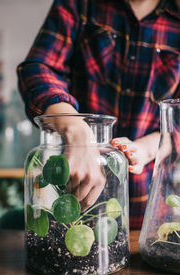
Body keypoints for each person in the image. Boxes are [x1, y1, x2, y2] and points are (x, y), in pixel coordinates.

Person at [17, 0, 180, 229]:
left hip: (145, 211)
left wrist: (144, 149)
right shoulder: (80, 4)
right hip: (70, 195)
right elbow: (38, 68)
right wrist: (78, 132)